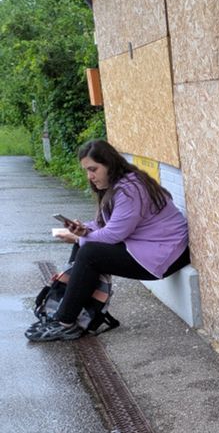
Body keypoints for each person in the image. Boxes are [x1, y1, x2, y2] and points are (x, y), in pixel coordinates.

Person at [26, 139, 190, 342]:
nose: (90, 176)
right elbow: (107, 224)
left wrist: (80, 237)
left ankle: (64, 322)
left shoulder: (130, 190)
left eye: (93, 169)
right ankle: (72, 311)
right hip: (152, 247)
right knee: (86, 246)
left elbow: (113, 234)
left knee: (89, 252)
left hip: (167, 254)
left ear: (109, 164)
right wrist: (83, 230)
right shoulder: (123, 184)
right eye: (87, 170)